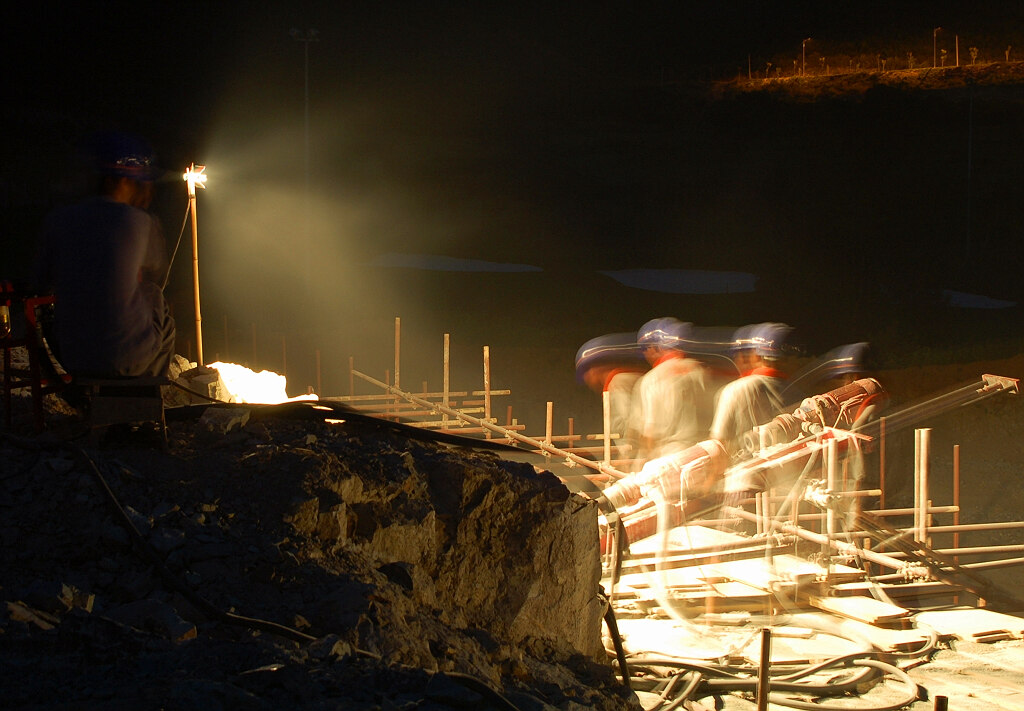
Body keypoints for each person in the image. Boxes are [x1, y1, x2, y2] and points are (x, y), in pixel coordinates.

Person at [35, 132, 176, 378]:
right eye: (139, 182)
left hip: (73, 358)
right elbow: (157, 274)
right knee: (154, 295)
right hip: (129, 357)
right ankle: (149, 393)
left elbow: (39, 282)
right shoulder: (141, 221)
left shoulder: (58, 220)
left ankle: (89, 395)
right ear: (120, 181)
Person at [633, 317, 714, 462]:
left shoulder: (651, 379)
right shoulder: (699, 371)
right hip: (700, 454)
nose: (646, 354)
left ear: (655, 347)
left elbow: (649, 432)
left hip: (668, 457)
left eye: (646, 348)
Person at [709, 322, 793, 460]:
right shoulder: (799, 392)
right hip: (794, 474)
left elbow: (717, 445)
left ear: (755, 355)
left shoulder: (734, 390)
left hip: (747, 476)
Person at [575, 332, 648, 460]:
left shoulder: (618, 383)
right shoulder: (634, 378)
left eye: (586, 374)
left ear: (594, 369)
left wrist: (627, 456)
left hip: (641, 455)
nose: (587, 380)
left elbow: (628, 423)